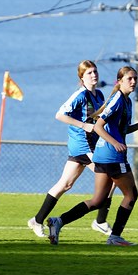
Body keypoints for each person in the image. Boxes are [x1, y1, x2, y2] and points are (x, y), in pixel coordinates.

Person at [47, 66, 138, 246]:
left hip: (102, 156)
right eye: (129, 79)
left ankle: (58, 221)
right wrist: (115, 143)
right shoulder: (117, 99)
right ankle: (115, 236)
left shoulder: (126, 101)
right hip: (112, 157)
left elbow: (119, 130)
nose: (133, 82)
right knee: (131, 195)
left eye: (135, 79)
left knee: (98, 200)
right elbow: (99, 126)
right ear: (119, 81)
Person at [27, 60, 116, 238]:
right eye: (89, 73)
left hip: (89, 145)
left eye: (95, 71)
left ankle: (37, 220)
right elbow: (60, 114)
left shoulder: (98, 94)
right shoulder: (80, 95)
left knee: (65, 184)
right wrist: (83, 126)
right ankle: (100, 221)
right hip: (83, 145)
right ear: (82, 77)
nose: (94, 75)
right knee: (112, 179)